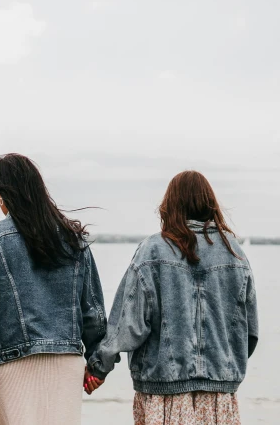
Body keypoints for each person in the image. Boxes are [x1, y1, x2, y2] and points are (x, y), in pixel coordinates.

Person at [86, 170, 258, 425]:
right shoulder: (236, 253)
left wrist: (98, 367)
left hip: (162, 394)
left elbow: (127, 324)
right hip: (220, 397)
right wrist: (223, 366)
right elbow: (250, 333)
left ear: (170, 205)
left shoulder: (153, 250)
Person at [0, 153, 106, 425]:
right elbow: (93, 310)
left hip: (6, 364)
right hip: (66, 363)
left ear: (3, 194)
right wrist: (98, 365)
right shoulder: (73, 239)